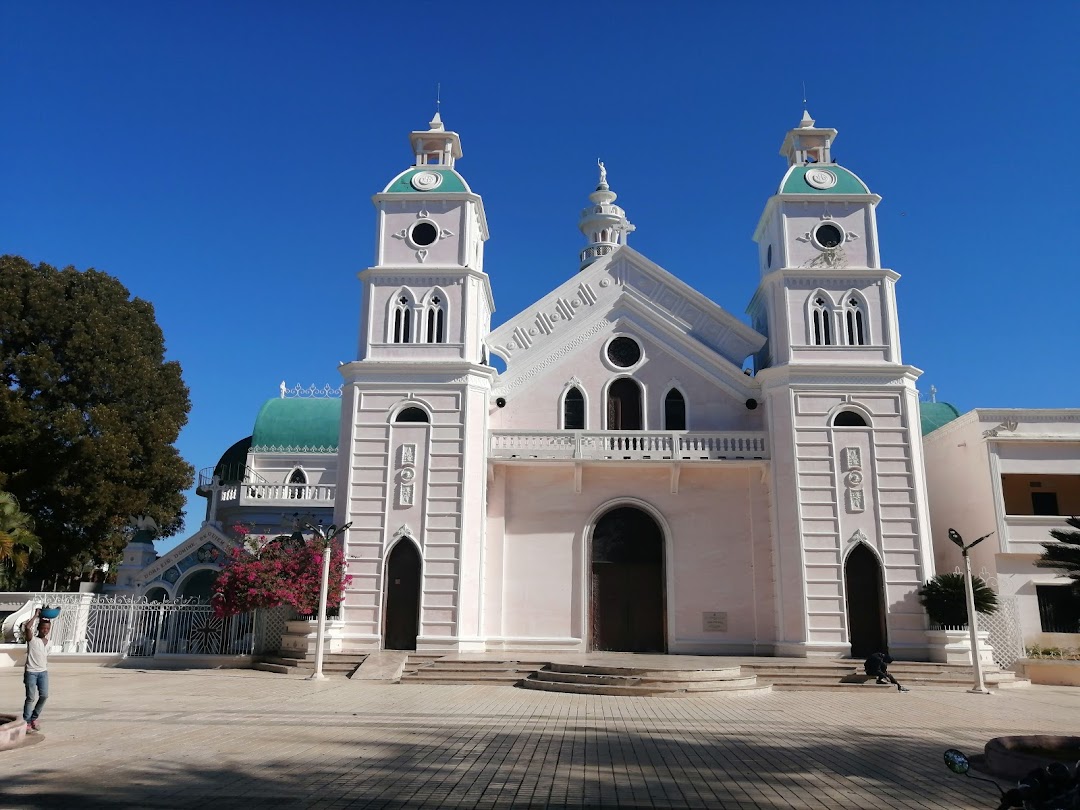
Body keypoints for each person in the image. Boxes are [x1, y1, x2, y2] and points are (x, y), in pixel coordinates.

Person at [22, 608, 52, 731]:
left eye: (48, 628)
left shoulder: (49, 642)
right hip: (31, 672)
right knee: (30, 698)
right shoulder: (32, 640)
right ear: (39, 628)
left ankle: (34, 717)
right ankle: (27, 722)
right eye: (43, 628)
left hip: (43, 672)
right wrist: (36, 615)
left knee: (44, 695)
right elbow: (27, 628)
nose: (45, 630)